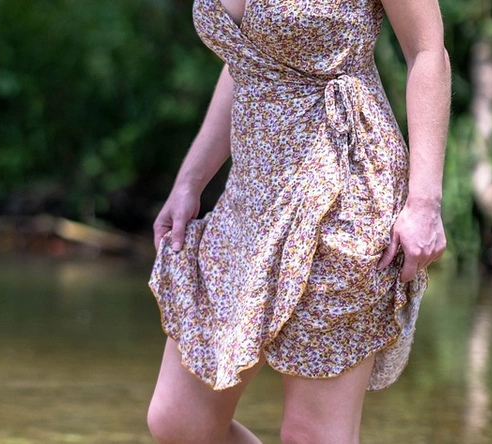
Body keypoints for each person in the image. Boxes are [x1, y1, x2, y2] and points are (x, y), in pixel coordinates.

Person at [147, 0, 450, 442]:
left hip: (343, 192)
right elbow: (250, 57)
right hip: (251, 200)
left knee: (312, 435)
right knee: (180, 421)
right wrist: (190, 180)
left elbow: (427, 50)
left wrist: (424, 203)